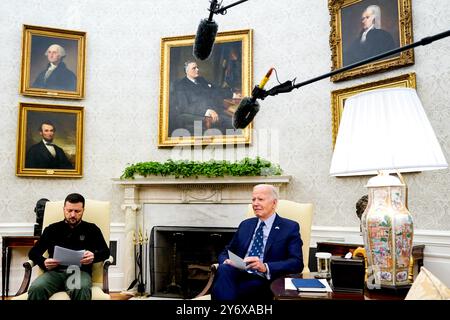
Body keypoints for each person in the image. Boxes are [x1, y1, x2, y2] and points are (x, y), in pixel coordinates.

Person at [211, 184, 303, 301]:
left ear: (274, 203)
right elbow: (226, 251)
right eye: (253, 199)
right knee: (224, 269)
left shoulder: (289, 227)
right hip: (239, 272)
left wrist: (265, 267)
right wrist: (228, 261)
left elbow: (297, 262)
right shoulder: (246, 224)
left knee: (227, 289)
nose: (255, 203)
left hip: (264, 279)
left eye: (260, 199)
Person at [27, 193, 110, 300]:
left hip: (79, 272)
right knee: (36, 288)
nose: (73, 215)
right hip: (54, 272)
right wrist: (43, 261)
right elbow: (33, 253)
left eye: (77, 211)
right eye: (69, 211)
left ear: (83, 210)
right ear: (64, 209)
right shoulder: (52, 229)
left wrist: (94, 256)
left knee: (80, 288)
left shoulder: (92, 229)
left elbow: (106, 252)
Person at [169, 60, 241, 136]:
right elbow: (184, 107)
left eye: (197, 67)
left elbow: (216, 90)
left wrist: (233, 95)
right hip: (202, 117)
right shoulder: (181, 85)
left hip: (217, 111)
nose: (197, 69)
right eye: (194, 68)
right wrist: (206, 111)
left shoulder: (201, 80)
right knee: (234, 125)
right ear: (187, 71)